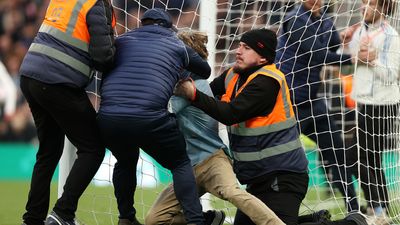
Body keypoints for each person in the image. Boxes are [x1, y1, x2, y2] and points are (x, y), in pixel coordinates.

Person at [174, 28, 368, 225]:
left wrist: (194, 95)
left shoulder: (268, 81)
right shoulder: (233, 74)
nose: (238, 51)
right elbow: (208, 92)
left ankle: (350, 223)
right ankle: (311, 220)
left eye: (246, 47)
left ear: (262, 58)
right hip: (259, 178)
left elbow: (230, 114)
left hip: (283, 177)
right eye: (240, 45)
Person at [145, 29, 285, 225]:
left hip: (212, 159)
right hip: (187, 166)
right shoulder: (180, 84)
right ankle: (208, 220)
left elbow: (157, 112)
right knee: (154, 220)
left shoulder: (191, 87)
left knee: (232, 192)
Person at [97, 8, 211, 225]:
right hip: (149, 117)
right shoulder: (176, 43)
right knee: (179, 163)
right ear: (168, 27)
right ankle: (196, 221)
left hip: (109, 117)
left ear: (143, 23)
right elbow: (205, 70)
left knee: (125, 160)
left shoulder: (121, 41)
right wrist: (181, 72)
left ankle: (126, 218)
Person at [18, 0, 116, 224]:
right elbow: (103, 57)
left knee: (48, 152)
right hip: (58, 81)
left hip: (30, 75)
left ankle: (32, 218)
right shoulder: (97, 4)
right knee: (93, 148)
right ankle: (63, 213)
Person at [274, 0, 359, 213]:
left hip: (313, 100)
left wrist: (342, 38)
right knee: (282, 161)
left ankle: (354, 209)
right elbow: (318, 55)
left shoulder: (326, 20)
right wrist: (355, 58)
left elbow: (331, 46)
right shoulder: (294, 18)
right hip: (289, 100)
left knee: (338, 152)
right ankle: (270, 209)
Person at [343, 0, 400, 223]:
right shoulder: (360, 31)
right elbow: (349, 61)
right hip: (363, 102)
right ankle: (379, 207)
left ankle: (377, 209)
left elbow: (392, 75)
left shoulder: (392, 36)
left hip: (383, 104)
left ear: (382, 8)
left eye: (369, 3)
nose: (362, 6)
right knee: (370, 159)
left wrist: (373, 60)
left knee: (357, 156)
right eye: (362, 2)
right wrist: (348, 47)